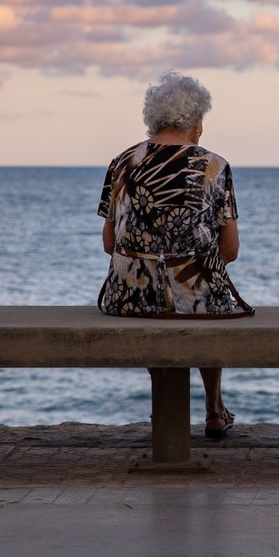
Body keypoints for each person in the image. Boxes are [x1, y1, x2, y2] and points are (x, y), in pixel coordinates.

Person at [97, 71, 243, 439]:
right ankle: (214, 408)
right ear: (195, 121)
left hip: (129, 297)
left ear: (155, 119)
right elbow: (230, 250)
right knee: (207, 294)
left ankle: (163, 407)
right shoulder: (214, 166)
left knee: (154, 295)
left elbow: (109, 243)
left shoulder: (121, 163)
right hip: (195, 299)